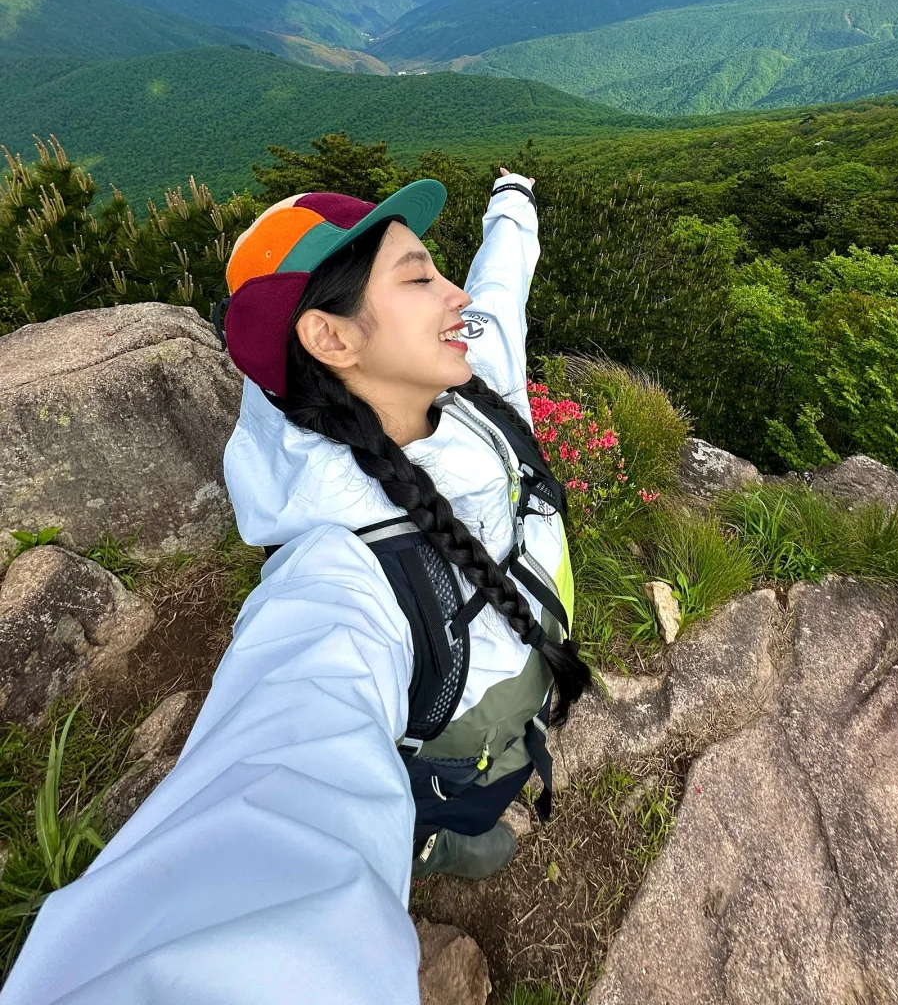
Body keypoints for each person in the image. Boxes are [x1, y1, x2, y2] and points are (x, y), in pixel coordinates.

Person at [1, 168, 590, 1005]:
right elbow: (286, 766)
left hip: (518, 686)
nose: (456, 296)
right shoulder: (338, 568)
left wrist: (515, 200)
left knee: (493, 781)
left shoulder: (467, 382)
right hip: (456, 752)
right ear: (330, 338)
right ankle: (435, 844)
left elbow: (501, 290)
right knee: (454, 806)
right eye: (419, 278)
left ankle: (450, 831)